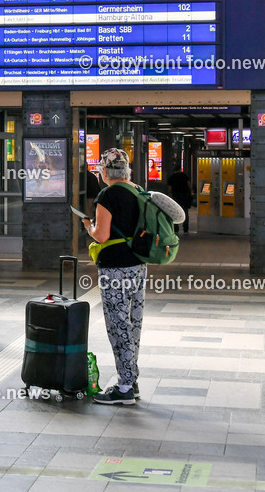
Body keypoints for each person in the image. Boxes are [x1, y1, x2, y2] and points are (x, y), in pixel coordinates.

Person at [82, 148, 144, 405]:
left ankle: (125, 387)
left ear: (105, 171)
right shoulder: (138, 190)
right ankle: (132, 379)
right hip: (138, 266)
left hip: (115, 268)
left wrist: (88, 226)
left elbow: (102, 235)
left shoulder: (108, 194)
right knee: (133, 323)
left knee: (118, 326)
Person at [167, 168, 192, 234]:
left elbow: (170, 188)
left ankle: (176, 229)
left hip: (176, 197)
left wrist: (170, 194)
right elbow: (188, 184)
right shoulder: (184, 176)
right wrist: (191, 192)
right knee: (186, 212)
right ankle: (186, 229)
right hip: (184, 196)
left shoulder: (172, 177)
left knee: (175, 212)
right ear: (180, 169)